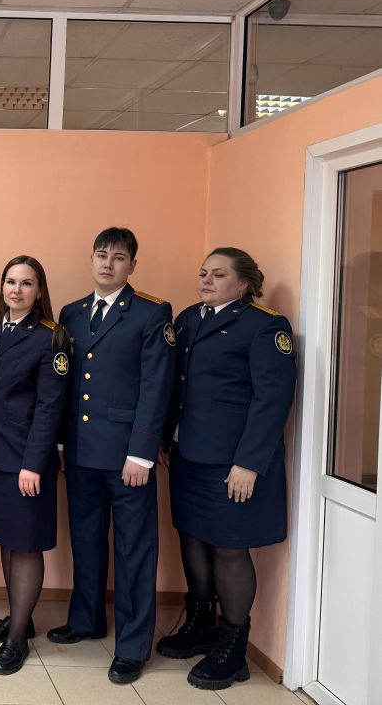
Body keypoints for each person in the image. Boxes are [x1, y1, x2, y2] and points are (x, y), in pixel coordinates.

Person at [159, 248, 296, 691]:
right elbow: (177, 386)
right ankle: (201, 625)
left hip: (232, 463)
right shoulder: (188, 319)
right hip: (188, 454)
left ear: (244, 283)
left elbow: (271, 398)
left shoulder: (265, 326)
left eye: (218, 275)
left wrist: (248, 463)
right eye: (203, 273)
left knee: (229, 549)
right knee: (192, 539)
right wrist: (166, 438)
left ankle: (233, 649)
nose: (206, 280)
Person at [47, 227, 175, 684]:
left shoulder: (152, 313)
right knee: (85, 539)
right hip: (81, 450)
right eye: (101, 255)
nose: (107, 264)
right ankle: (86, 619)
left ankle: (133, 646)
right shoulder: (72, 313)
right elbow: (66, 385)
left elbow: (157, 386)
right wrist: (61, 442)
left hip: (127, 456)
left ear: (132, 265)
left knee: (133, 550)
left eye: (118, 257)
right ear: (91, 259)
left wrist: (142, 452)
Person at [0, 255, 69, 675]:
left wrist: (33, 464)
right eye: (10, 281)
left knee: (26, 544)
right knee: (7, 539)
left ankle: (17, 639)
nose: (16, 289)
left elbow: (50, 407)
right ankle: (20, 616)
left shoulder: (51, 338)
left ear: (39, 290)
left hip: (27, 461)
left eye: (26, 283)